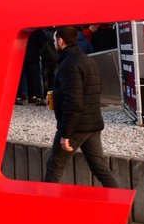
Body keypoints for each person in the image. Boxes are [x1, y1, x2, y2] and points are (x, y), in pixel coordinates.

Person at [44, 26, 122, 193]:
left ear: (60, 41)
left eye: (54, 40)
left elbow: (73, 102)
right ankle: (123, 210)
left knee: (54, 166)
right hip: (93, 122)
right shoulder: (88, 60)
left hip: (76, 126)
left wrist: (65, 134)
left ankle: (45, 211)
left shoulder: (68, 65)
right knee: (99, 167)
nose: (54, 43)